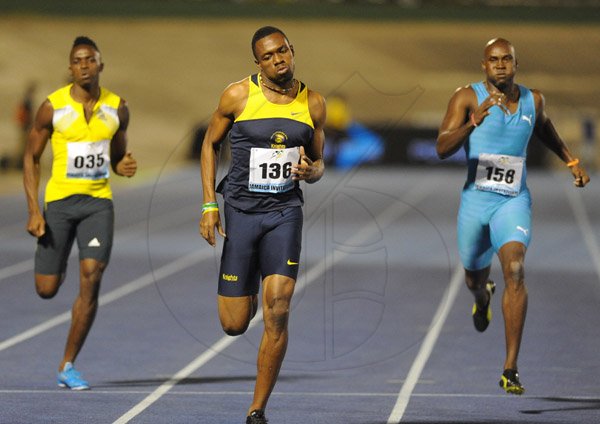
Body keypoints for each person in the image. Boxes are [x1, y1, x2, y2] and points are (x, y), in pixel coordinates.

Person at [436, 38, 590, 395]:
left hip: (513, 200)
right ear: (484, 65)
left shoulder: (533, 100)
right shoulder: (465, 98)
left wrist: (571, 161)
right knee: (474, 278)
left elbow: (545, 128)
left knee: (516, 270)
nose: (501, 65)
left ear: (516, 64)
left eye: (507, 59)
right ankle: (481, 297)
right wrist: (471, 123)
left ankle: (510, 367)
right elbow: (442, 148)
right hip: (476, 202)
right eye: (494, 60)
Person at [199, 26, 325, 423]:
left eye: (283, 51)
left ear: (292, 50)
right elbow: (209, 145)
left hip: (284, 213)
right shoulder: (237, 95)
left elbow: (319, 163)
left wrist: (312, 170)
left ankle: (257, 409)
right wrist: (208, 204)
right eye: (269, 55)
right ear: (258, 62)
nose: (278, 59)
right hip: (240, 213)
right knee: (234, 324)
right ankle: (248, 282)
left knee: (279, 308)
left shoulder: (313, 103)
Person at [23, 36, 137, 390]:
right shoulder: (51, 108)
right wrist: (33, 210)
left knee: (92, 273)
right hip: (58, 204)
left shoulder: (117, 108)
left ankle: (67, 364)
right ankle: (57, 259)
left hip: (97, 203)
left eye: (90, 60)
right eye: (78, 61)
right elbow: (31, 157)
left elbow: (118, 156)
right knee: (46, 289)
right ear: (70, 68)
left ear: (101, 65)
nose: (84, 65)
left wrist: (124, 164)